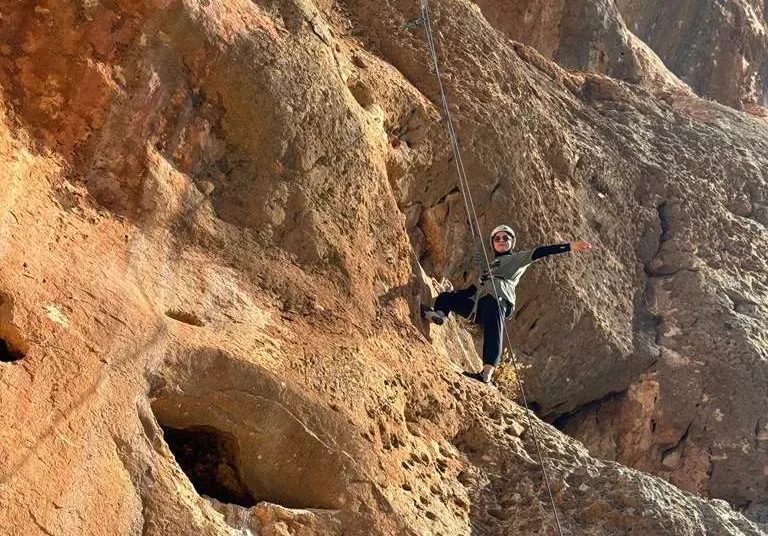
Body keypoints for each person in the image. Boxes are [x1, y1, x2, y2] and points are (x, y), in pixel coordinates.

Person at [421, 224, 593, 385]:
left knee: (493, 331)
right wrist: (454, 296)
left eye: (506, 238)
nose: (502, 241)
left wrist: (570, 246)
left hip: (498, 300)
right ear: (493, 243)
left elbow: (541, 251)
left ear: (512, 242)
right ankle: (440, 315)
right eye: (498, 238)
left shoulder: (517, 259)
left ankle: (486, 374)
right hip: (480, 305)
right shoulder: (490, 267)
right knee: (447, 298)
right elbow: (472, 290)